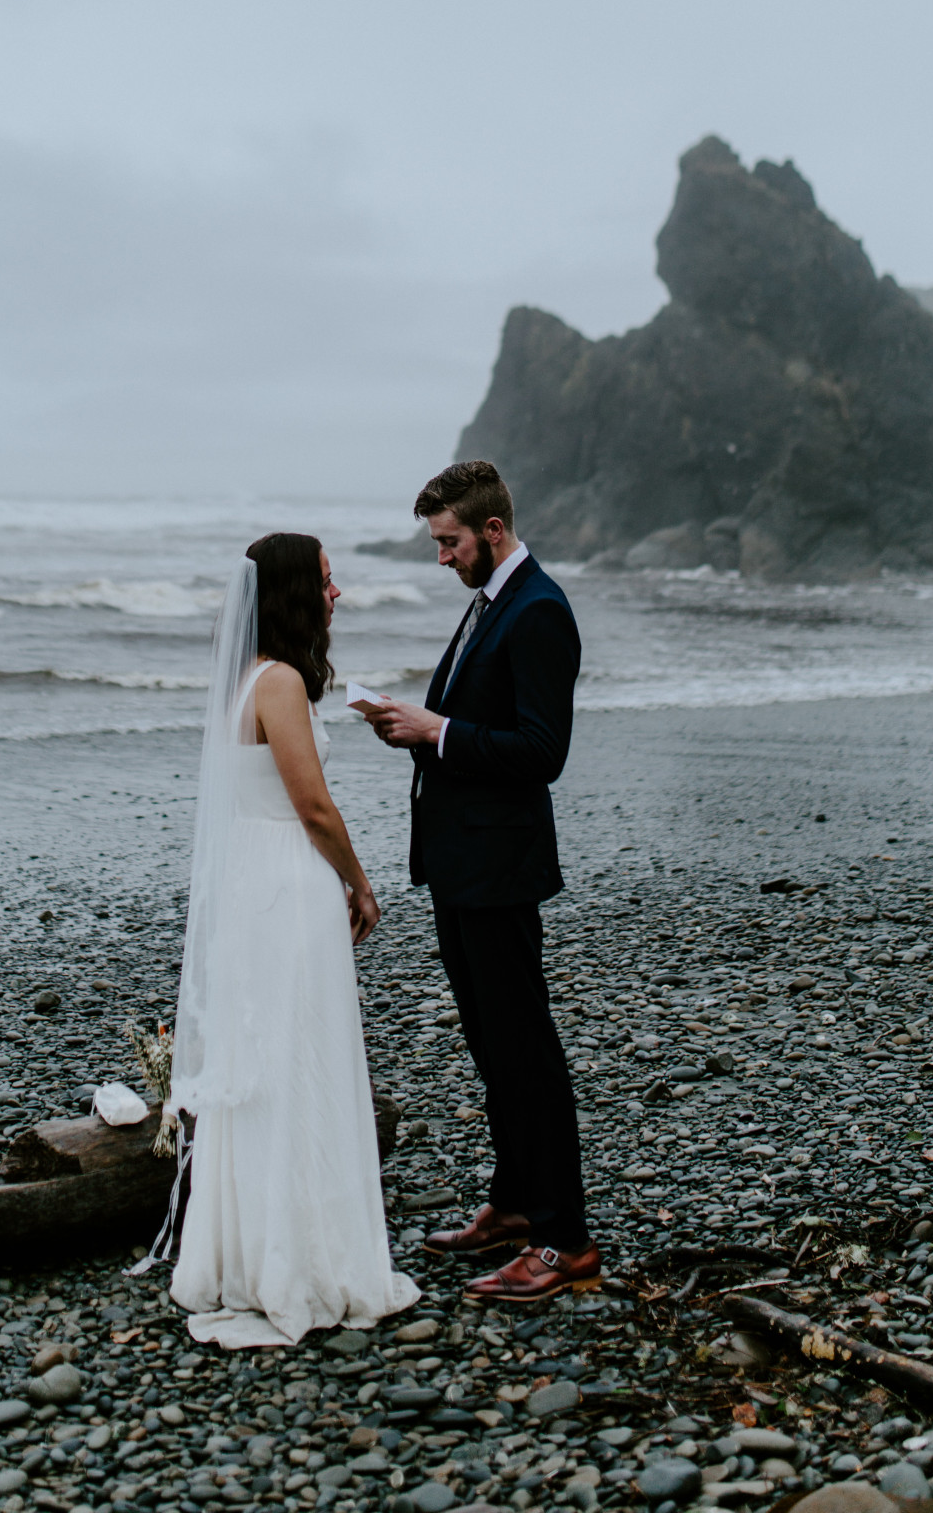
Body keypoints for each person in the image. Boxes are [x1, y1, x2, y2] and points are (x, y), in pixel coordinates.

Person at [166, 531, 419, 1348]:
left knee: (265, 1060)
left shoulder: (248, 681)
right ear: (291, 594)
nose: (337, 594)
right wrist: (361, 882)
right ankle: (303, 1261)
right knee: (302, 1056)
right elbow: (312, 807)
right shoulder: (278, 683)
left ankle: (250, 1252)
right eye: (326, 581)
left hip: (253, 883)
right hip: (288, 883)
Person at [361, 460, 599, 1304]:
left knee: (528, 1053)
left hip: (500, 868)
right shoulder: (491, 599)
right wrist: (419, 732)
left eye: (449, 541)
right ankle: (514, 1203)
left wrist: (441, 729)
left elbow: (543, 753)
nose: (441, 557)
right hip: (462, 865)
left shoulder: (539, 611)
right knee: (491, 1046)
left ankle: (565, 1243)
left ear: (491, 532)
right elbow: (476, 725)